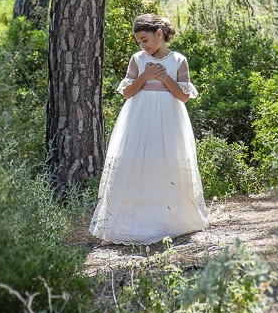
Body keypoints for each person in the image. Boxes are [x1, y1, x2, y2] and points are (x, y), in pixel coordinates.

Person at [89, 14, 209, 245]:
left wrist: (164, 78)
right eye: (139, 42)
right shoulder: (138, 59)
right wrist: (145, 75)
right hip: (139, 117)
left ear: (160, 34)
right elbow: (126, 92)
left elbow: (184, 96)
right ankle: (122, 226)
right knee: (136, 161)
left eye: (145, 40)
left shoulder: (178, 60)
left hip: (168, 119)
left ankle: (168, 222)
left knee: (165, 161)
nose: (142, 45)